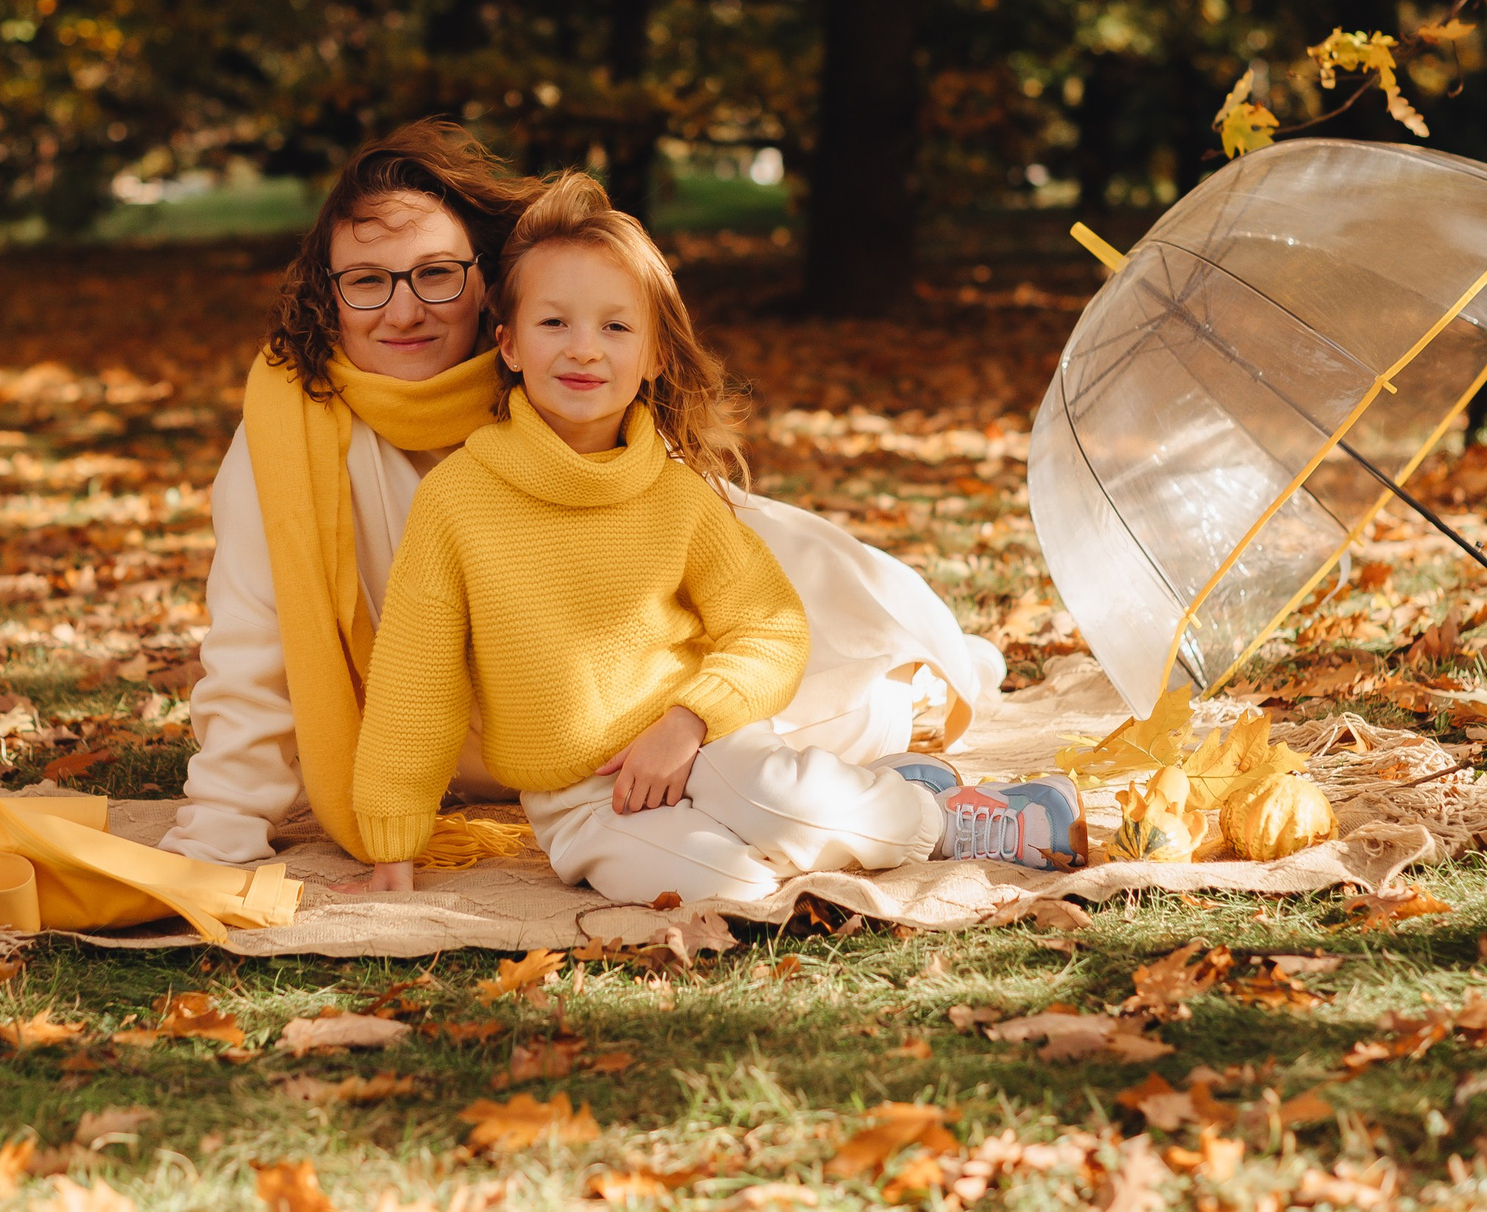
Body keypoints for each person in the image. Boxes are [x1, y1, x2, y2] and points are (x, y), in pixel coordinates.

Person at [160, 120, 1006, 871]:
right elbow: (255, 648)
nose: (405, 309)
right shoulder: (289, 437)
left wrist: (689, 716)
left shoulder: (563, 368)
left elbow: (680, 561)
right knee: (732, 805)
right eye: (368, 281)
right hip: (515, 739)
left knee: (835, 707)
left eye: (436, 274)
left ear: (486, 287)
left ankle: (913, 749)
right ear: (330, 296)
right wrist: (219, 827)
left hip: (659, 667)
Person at [349, 175, 1084, 902]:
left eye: (615, 326)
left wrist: (688, 719)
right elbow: (416, 681)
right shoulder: (458, 500)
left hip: (704, 744)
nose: (584, 350)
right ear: (507, 345)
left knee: (779, 801)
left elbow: (770, 627)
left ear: (654, 355)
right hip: (580, 798)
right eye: (553, 324)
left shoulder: (675, 492)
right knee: (730, 885)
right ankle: (868, 802)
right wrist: (393, 845)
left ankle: (937, 815)